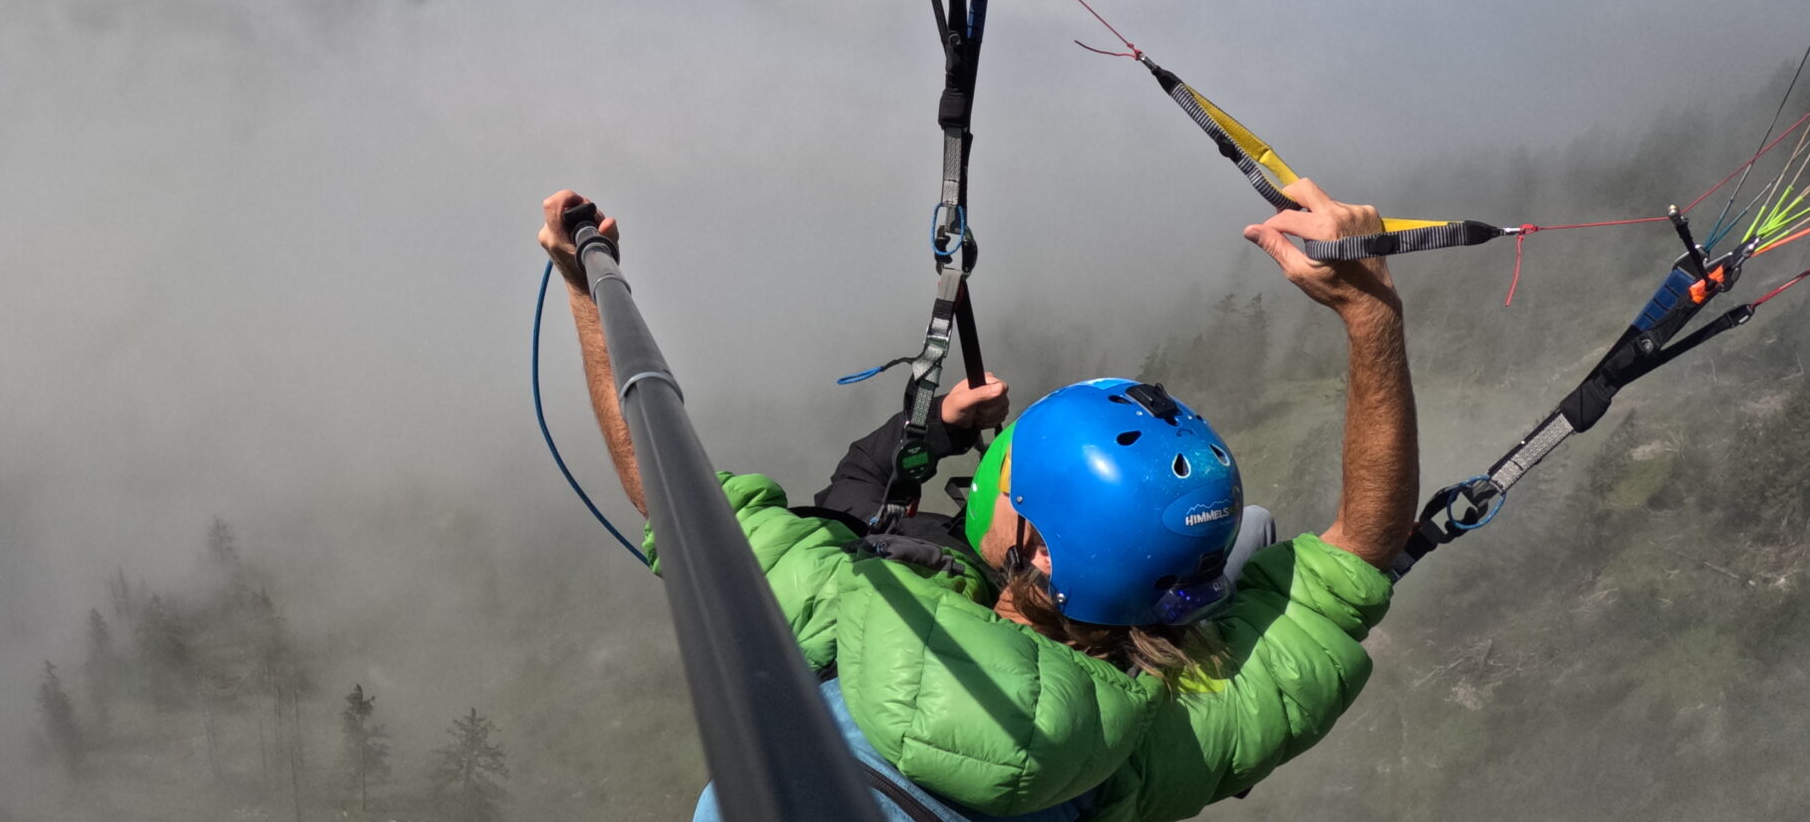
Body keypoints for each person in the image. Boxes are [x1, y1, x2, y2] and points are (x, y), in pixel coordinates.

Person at [539, 179, 1416, 822]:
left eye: (1008, 473)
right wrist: (1371, 317)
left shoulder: (847, 608)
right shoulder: (1163, 745)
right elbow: (1354, 563)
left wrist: (586, 290)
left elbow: (664, 485)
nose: (993, 469)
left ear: (1034, 546)